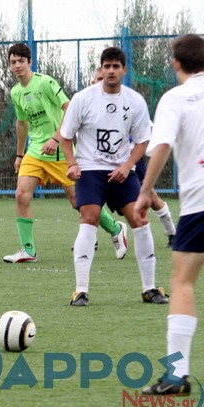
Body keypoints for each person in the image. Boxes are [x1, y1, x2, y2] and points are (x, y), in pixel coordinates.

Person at [59, 47, 168, 307]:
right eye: (106, 66)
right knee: (89, 217)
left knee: (139, 218)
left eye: (115, 66)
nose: (110, 71)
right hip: (89, 171)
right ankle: (80, 291)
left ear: (123, 70)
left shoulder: (135, 101)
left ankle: (149, 288)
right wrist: (72, 164)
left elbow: (142, 141)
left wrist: (127, 165)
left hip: (123, 171)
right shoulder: (83, 99)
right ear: (101, 69)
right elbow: (65, 135)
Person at [4, 43, 127, 264]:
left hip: (60, 152)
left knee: (78, 201)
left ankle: (116, 229)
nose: (17, 65)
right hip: (35, 151)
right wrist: (20, 154)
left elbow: (69, 108)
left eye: (21, 61)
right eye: (13, 62)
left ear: (29, 62)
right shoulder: (15, 92)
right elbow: (21, 124)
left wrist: (56, 138)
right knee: (21, 195)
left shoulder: (45, 82)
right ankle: (28, 250)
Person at [136, 34, 204, 396]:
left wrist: (145, 191)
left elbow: (160, 146)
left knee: (182, 283)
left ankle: (177, 376)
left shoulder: (175, 97)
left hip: (200, 205)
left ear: (176, 63)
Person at [92, 67, 177, 248]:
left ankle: (172, 233)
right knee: (88, 196)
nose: (100, 82)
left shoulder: (128, 103)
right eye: (97, 79)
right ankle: (90, 238)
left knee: (151, 197)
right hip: (102, 163)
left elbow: (147, 133)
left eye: (102, 78)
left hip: (132, 161)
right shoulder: (88, 104)